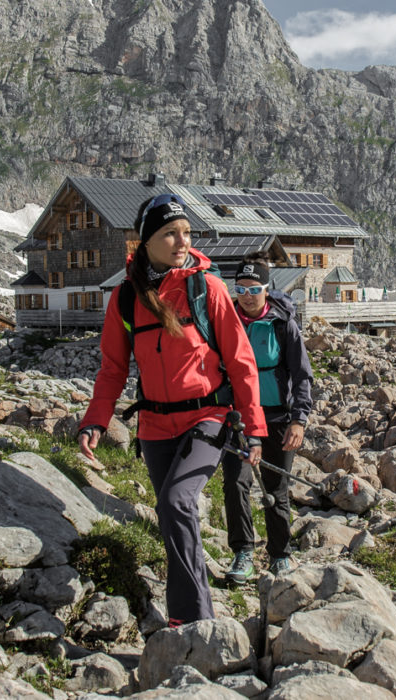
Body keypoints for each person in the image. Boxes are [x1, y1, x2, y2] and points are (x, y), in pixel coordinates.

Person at [75, 192, 267, 625]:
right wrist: (95, 421)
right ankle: (192, 612)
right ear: (145, 241)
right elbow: (112, 368)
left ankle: (194, 621)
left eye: (185, 232)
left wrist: (254, 428)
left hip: (208, 418)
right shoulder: (126, 299)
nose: (182, 241)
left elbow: (240, 361)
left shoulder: (207, 287)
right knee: (169, 515)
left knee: (178, 502)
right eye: (170, 233)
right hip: (155, 427)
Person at [221, 253, 313, 582]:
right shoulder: (225, 321)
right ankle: (243, 551)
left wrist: (299, 419)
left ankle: (279, 554)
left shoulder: (282, 322)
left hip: (279, 417)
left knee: (278, 487)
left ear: (267, 288)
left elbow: (302, 375)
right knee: (236, 482)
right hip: (239, 418)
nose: (246, 296)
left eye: (254, 288)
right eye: (240, 289)